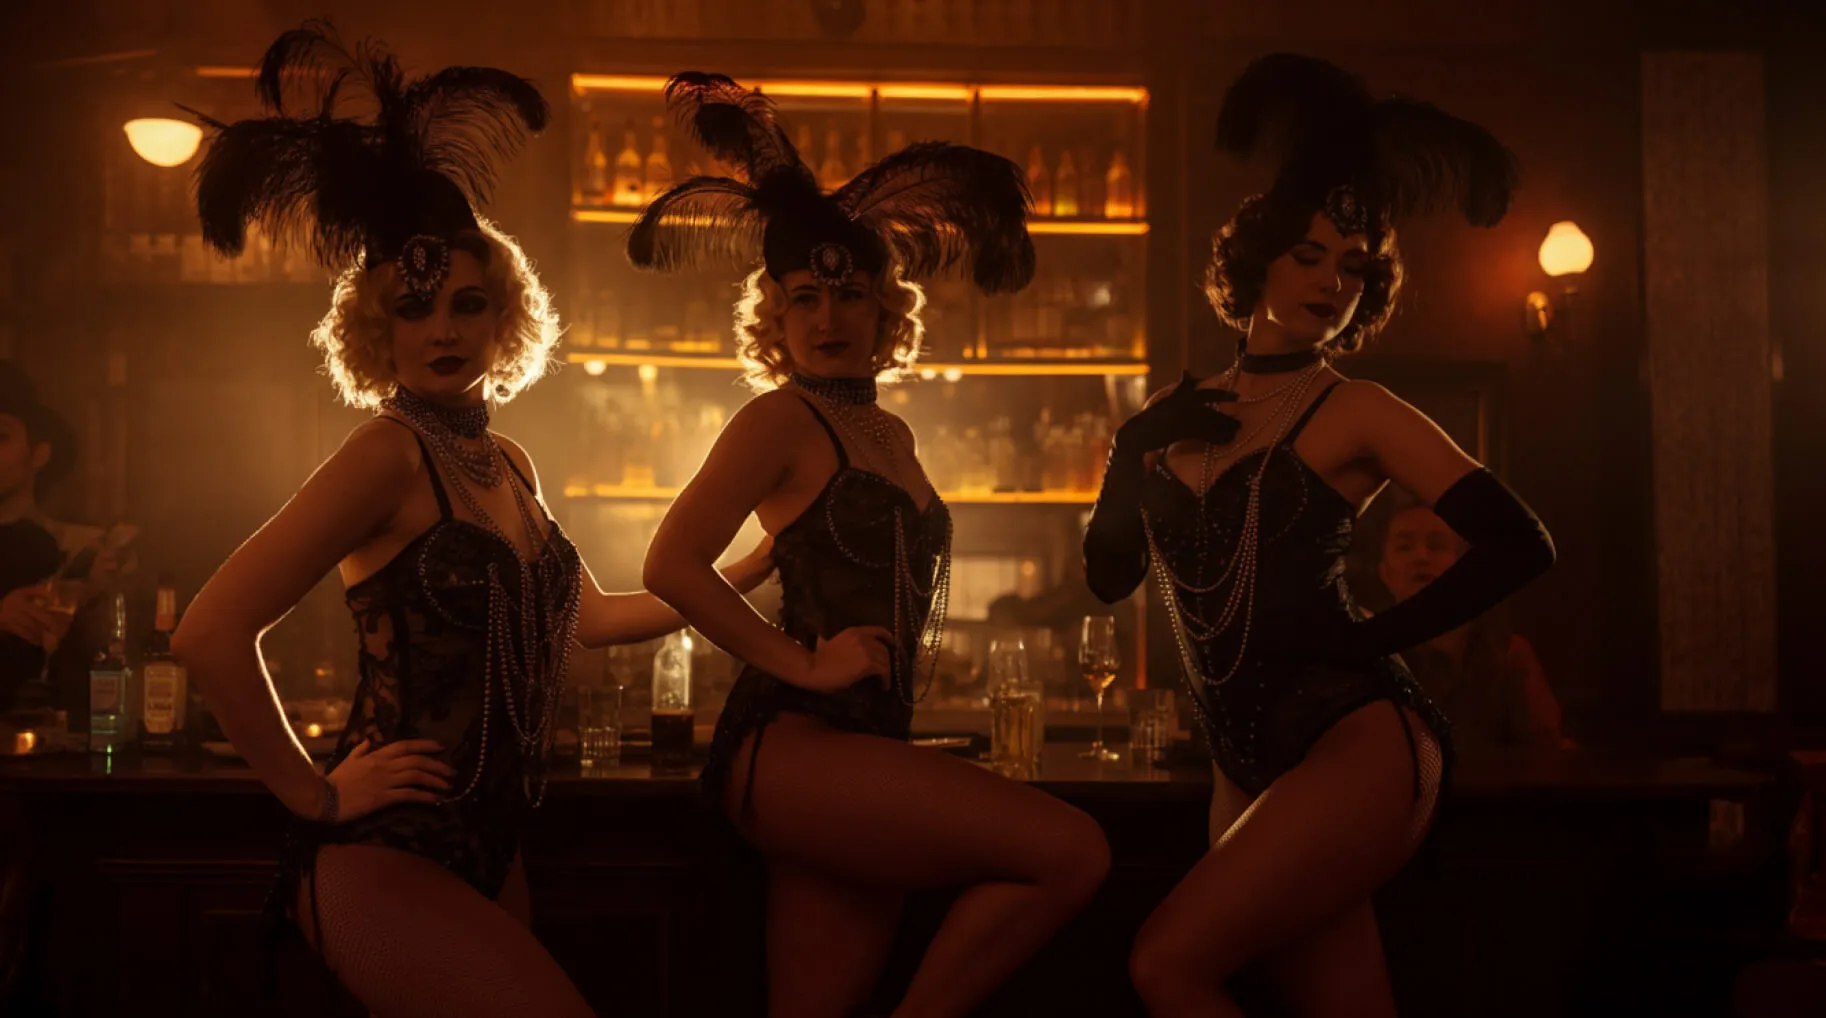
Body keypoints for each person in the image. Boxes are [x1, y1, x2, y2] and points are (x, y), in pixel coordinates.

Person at [170, 27, 770, 1018]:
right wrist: (312, 794)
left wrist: (748, 567)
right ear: (376, 328)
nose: (442, 328)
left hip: (494, 846)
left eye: (464, 302)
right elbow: (209, 631)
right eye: (412, 309)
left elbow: (590, 616)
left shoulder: (508, 463)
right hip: (383, 849)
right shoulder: (386, 452)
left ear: (504, 319)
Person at [1082, 54, 1554, 1017]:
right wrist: (1129, 452)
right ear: (1258, 256)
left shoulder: (1360, 411)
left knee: (1164, 967)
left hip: (1356, 746)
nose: (1331, 282)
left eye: (1353, 269)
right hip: (1239, 758)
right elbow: (1106, 576)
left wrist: (1370, 640)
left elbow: (1523, 542)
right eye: (1310, 256)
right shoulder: (1177, 414)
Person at [632, 73, 1110, 1018]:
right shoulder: (777, 418)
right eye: (804, 296)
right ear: (774, 315)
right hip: (793, 744)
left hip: (864, 744)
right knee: (1074, 854)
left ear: (887, 312)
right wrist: (800, 664)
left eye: (849, 294)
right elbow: (668, 567)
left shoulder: (891, 434)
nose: (828, 317)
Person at [1376, 501, 1570, 753]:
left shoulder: (1507, 656)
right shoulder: (1371, 662)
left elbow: (1545, 752)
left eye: (1436, 546)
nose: (1421, 557)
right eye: (1404, 547)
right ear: (1386, 573)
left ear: (1464, 567)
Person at [0, 359, 126, 710]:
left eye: (0, 437)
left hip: (53, 742)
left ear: (38, 454)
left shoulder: (79, 546)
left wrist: (97, 596)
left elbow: (108, 668)